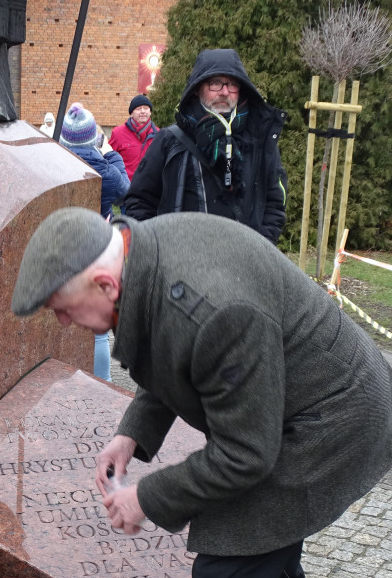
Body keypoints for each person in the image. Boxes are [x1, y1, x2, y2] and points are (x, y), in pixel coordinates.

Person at [11, 207, 392, 578]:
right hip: (297, 409)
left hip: (329, 421)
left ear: (105, 282)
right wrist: (133, 431)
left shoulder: (214, 308)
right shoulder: (146, 254)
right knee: (267, 561)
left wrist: (146, 498)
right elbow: (171, 349)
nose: (63, 323)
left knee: (229, 573)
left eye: (64, 310)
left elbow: (246, 455)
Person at [122, 49, 287, 244]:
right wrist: (159, 250)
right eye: (215, 83)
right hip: (181, 267)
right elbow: (139, 201)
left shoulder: (259, 141)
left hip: (242, 266)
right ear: (197, 87)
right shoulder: (170, 141)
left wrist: (259, 249)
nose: (225, 91)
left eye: (233, 84)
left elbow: (275, 203)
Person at [58, 102, 130, 382]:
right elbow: (125, 190)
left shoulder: (56, 164)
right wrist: (112, 155)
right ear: (94, 138)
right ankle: (103, 382)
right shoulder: (106, 171)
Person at [109, 94, 159, 179]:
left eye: (146, 108)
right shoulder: (118, 133)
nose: (143, 111)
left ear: (150, 112)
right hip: (126, 187)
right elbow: (109, 160)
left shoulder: (159, 134)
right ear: (131, 113)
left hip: (149, 188)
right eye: (138, 109)